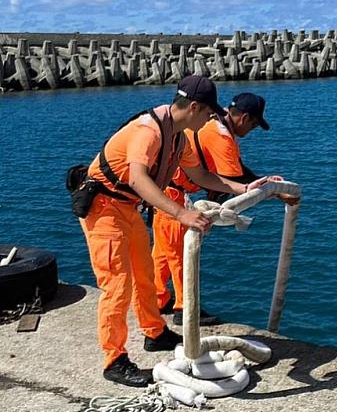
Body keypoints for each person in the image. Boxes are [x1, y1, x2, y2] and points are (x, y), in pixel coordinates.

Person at [78, 76, 269, 387]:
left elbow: (201, 176)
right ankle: (114, 360)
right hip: (104, 209)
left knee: (144, 274)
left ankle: (154, 333)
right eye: (208, 112)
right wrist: (182, 214)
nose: (211, 118)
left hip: (127, 208)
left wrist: (244, 187)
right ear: (193, 107)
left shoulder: (179, 136)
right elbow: (140, 179)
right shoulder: (149, 131)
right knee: (117, 284)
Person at [152, 92, 294, 326]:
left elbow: (235, 170)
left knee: (163, 252)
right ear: (244, 118)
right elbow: (234, 177)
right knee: (179, 252)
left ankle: (158, 297)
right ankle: (184, 308)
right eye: (254, 125)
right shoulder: (221, 135)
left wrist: (267, 182)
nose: (252, 131)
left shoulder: (215, 125)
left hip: (165, 188)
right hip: (173, 194)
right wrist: (274, 190)